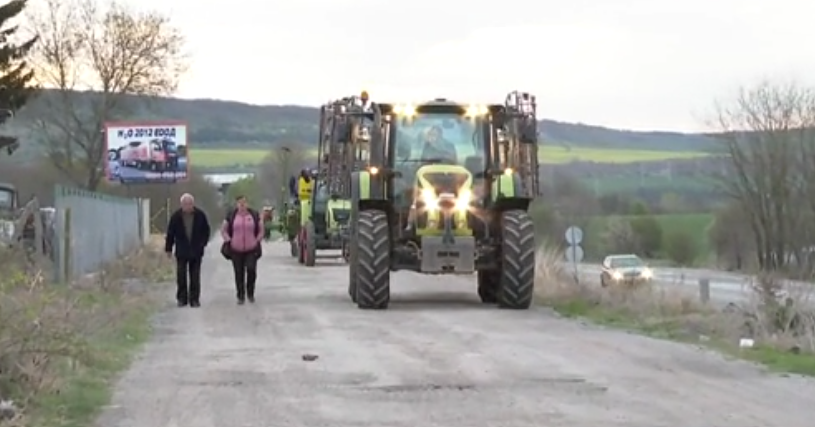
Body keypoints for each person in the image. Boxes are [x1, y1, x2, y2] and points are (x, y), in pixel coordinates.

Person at [165, 193, 211, 307]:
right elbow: (170, 233)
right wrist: (168, 249)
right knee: (181, 276)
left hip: (196, 250)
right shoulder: (176, 217)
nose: (187, 206)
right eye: (185, 204)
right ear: (181, 204)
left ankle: (194, 299)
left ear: (193, 204)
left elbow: (206, 230)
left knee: (195, 276)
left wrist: (203, 243)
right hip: (182, 251)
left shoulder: (200, 215)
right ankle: (182, 299)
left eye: (189, 203)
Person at [221, 195, 263, 305]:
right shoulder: (231, 216)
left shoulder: (254, 215)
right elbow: (224, 230)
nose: (242, 205)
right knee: (238, 273)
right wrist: (228, 240)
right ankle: (240, 296)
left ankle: (250, 293)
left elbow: (261, 229)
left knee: (251, 270)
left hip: (251, 248)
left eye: (244, 203)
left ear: (247, 203)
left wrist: (257, 240)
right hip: (236, 249)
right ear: (237, 204)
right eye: (240, 203)